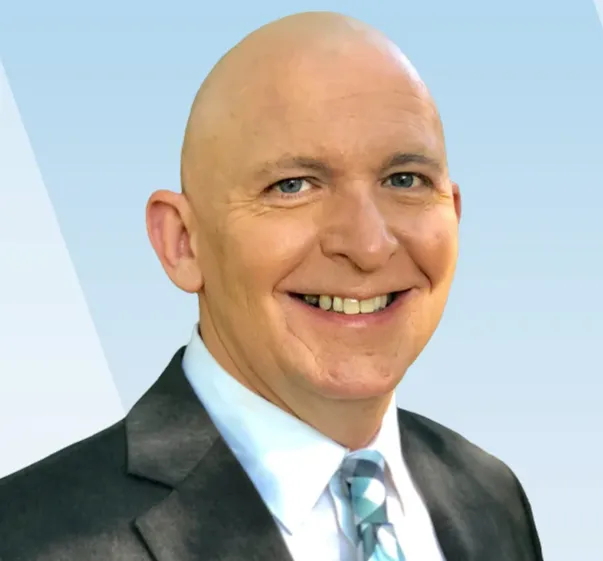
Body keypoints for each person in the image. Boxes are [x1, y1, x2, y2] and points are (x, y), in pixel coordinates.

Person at [0, 11, 544, 561]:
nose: (368, 244)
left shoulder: (492, 498)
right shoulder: (27, 539)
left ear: (452, 211)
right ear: (183, 242)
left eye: (405, 180)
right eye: (293, 186)